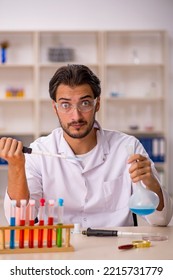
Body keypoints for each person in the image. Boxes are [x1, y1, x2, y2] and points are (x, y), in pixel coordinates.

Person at [1, 64, 173, 227]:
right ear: (55, 108)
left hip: (115, 251)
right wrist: (16, 167)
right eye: (65, 105)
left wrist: (151, 184)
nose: (76, 116)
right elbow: (20, 222)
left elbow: (161, 220)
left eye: (84, 103)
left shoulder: (128, 148)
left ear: (97, 104)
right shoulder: (39, 152)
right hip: (59, 251)